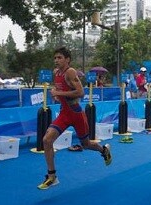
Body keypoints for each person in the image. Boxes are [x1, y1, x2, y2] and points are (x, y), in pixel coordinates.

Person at [37, 47, 112, 190]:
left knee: (86, 144)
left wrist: (58, 92)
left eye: (59, 58)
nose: (56, 60)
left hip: (77, 114)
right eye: (55, 58)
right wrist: (56, 96)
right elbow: (61, 90)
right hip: (64, 114)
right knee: (47, 140)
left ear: (67, 60)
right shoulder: (56, 73)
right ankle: (52, 176)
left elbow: (81, 92)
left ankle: (104, 150)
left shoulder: (70, 72)